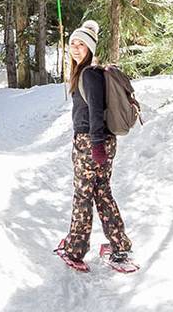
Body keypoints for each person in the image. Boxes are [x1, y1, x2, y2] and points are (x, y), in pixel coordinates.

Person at [54, 20, 132, 270]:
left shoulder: (89, 74)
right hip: (101, 141)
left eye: (82, 44)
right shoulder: (90, 73)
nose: (76, 49)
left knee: (83, 195)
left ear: (91, 48)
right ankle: (119, 247)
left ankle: (75, 250)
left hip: (91, 142)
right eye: (73, 44)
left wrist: (96, 144)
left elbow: (96, 111)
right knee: (102, 192)